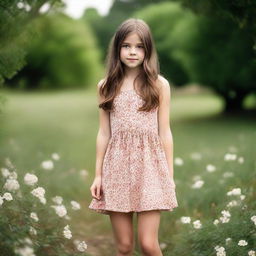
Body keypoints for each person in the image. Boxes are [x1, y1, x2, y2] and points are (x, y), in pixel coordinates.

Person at [88, 18, 178, 256]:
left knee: (148, 245)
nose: (132, 52)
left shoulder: (159, 85)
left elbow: (165, 132)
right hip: (116, 167)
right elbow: (104, 132)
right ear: (117, 48)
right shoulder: (106, 86)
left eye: (139, 47)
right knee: (125, 246)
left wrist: (168, 175)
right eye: (126, 45)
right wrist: (98, 175)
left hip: (150, 167)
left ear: (148, 50)